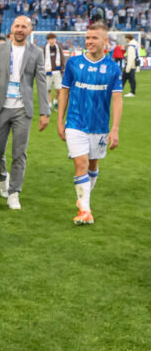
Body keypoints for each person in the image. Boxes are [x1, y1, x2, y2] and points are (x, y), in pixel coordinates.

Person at [57, 23, 123, 225]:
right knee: (81, 163)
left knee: (93, 165)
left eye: (94, 38)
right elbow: (64, 92)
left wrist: (115, 129)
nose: (89, 41)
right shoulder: (74, 63)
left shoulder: (113, 68)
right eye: (87, 38)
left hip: (99, 126)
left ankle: (84, 199)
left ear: (105, 41)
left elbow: (117, 98)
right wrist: (60, 120)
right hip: (75, 123)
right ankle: (85, 210)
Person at [0, 15, 50, 210]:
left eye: (24, 27)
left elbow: (41, 81)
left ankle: (14, 193)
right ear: (12, 28)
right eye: (17, 26)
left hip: (23, 109)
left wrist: (44, 112)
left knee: (19, 153)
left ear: (30, 31)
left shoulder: (36, 52)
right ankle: (2, 177)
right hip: (1, 108)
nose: (20, 29)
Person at [42, 33, 66, 109]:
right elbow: (41, 60)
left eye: (53, 39)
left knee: (59, 89)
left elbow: (62, 58)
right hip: (47, 72)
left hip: (57, 72)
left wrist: (62, 69)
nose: (52, 40)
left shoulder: (58, 48)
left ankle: (55, 100)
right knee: (47, 89)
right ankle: (49, 104)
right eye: (50, 39)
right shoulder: (44, 48)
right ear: (48, 40)